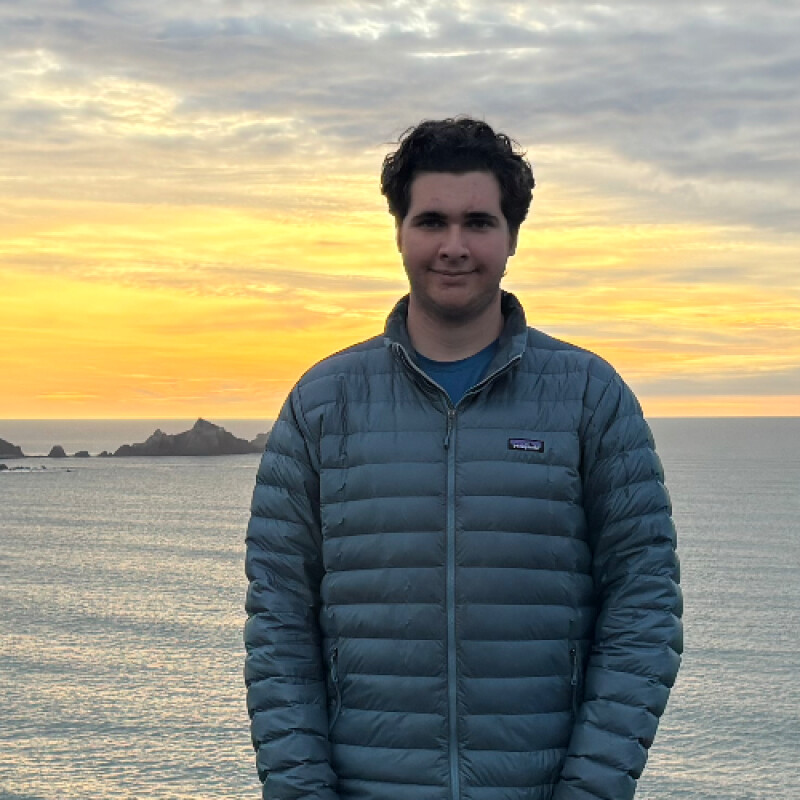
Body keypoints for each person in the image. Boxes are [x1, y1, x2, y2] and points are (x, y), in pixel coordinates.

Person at [244, 117, 683, 800]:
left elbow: (644, 604)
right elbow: (278, 621)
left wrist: (591, 789)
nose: (454, 246)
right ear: (400, 233)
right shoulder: (323, 402)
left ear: (512, 237)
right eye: (431, 221)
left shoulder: (589, 396)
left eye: (478, 222)